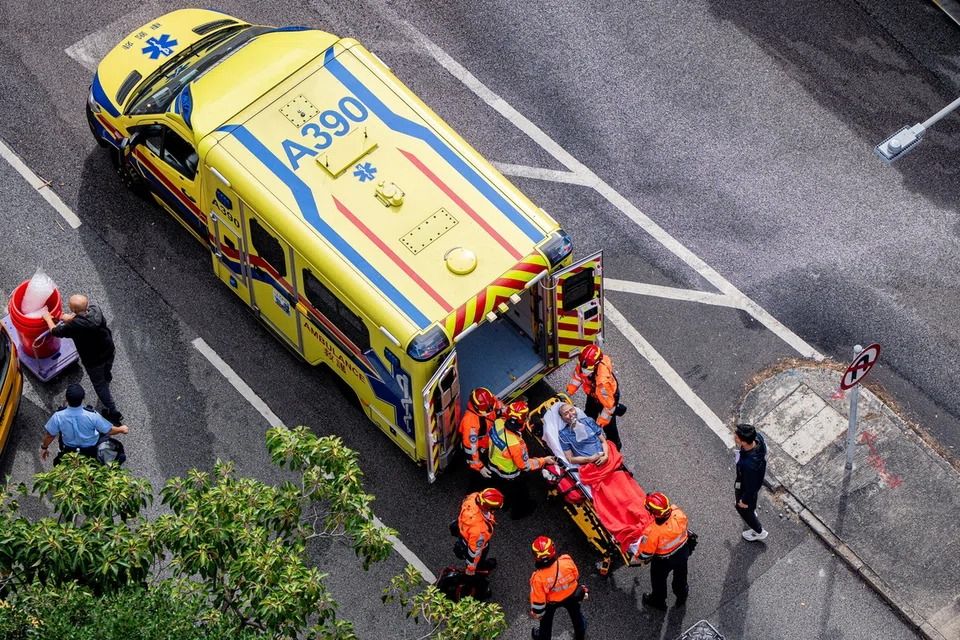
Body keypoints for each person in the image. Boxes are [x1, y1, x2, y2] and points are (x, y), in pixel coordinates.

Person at [42, 294, 121, 424]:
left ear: (73, 310)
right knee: (107, 369)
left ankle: (113, 412)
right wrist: (72, 318)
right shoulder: (96, 310)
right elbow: (83, 321)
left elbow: (55, 331)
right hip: (108, 349)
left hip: (95, 361)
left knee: (100, 386)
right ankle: (107, 377)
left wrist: (47, 318)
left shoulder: (75, 327)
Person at [487, 400, 556, 519]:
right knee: (521, 493)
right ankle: (519, 512)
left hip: (493, 465)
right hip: (509, 474)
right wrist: (544, 460)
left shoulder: (498, 423)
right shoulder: (517, 444)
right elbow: (525, 465)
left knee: (501, 488)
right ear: (522, 421)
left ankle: (504, 504)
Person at [40, 384, 129, 464]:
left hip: (69, 449)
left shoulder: (58, 416)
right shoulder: (92, 415)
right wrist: (121, 429)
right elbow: (109, 430)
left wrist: (44, 448)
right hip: (91, 448)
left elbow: (50, 436)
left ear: (66, 399)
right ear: (83, 398)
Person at [635, 492, 691, 611]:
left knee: (658, 580)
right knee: (681, 576)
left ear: (654, 514)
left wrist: (637, 558)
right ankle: (682, 594)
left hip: (663, 561)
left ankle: (658, 601)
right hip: (683, 552)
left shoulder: (652, 532)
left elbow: (646, 554)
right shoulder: (678, 513)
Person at [565, 345, 623, 451]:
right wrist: (570, 390)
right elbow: (578, 377)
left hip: (606, 400)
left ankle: (616, 446)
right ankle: (588, 434)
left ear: (596, 365)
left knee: (609, 426)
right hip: (593, 394)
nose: (583, 370)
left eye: (586, 369)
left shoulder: (602, 382)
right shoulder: (585, 365)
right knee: (589, 414)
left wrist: (600, 422)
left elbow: (608, 406)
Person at [528, 536, 587, 640]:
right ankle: (580, 633)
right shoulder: (566, 561)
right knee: (576, 615)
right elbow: (576, 576)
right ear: (553, 550)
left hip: (551, 603)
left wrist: (538, 614)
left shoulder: (538, 578)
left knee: (545, 623)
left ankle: (543, 637)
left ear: (535, 556)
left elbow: (538, 601)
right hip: (571, 596)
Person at [457, 488, 504, 598]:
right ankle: (475, 579)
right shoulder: (480, 530)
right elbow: (475, 551)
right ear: (488, 507)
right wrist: (471, 569)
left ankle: (482, 565)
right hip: (474, 543)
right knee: (479, 558)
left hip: (465, 535)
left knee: (481, 558)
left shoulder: (473, 497)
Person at [458, 387, 503, 480]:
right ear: (476, 407)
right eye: (487, 411)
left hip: (487, 442)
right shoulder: (470, 423)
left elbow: (499, 407)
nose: (490, 412)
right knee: (478, 478)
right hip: (479, 449)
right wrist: (480, 467)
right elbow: (471, 449)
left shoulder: (488, 400)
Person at [734, 423, 769, 541]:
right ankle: (751, 508)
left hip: (746, 486)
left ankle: (758, 531)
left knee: (741, 507)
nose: (735, 436)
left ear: (744, 442)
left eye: (737, 437)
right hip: (754, 481)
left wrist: (744, 501)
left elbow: (750, 488)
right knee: (751, 501)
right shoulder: (758, 438)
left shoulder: (749, 465)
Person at [557, 403, 608, 467]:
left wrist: (606, 456)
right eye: (566, 413)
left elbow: (603, 441)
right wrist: (589, 459)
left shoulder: (588, 421)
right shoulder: (564, 435)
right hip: (590, 466)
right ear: (562, 418)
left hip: (606, 457)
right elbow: (570, 459)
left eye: (571, 410)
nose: (570, 414)